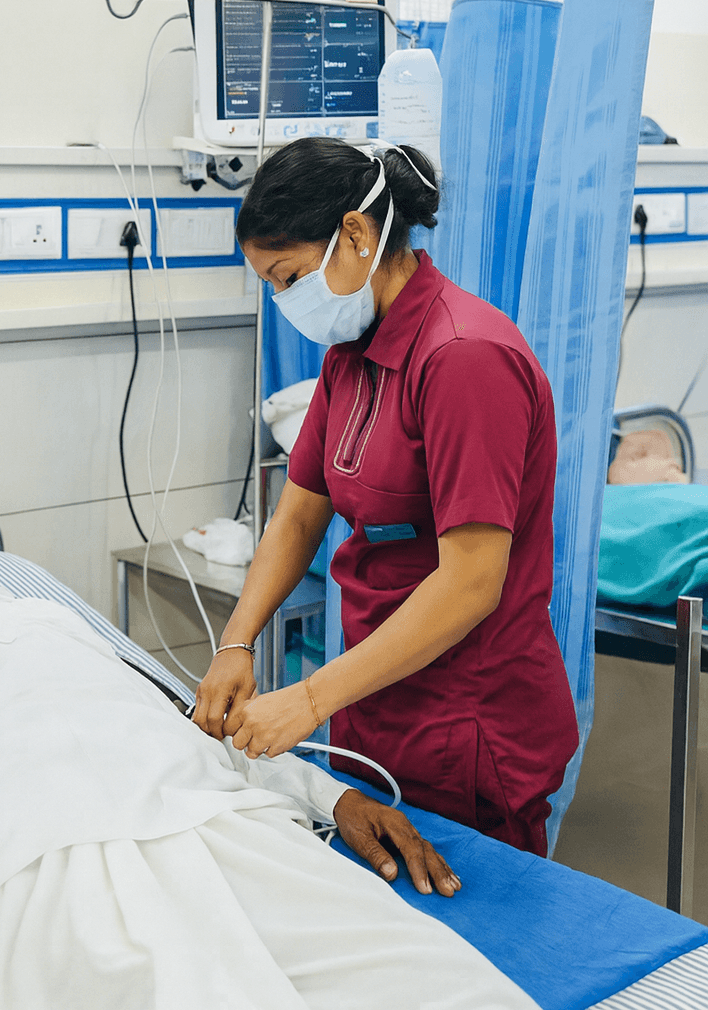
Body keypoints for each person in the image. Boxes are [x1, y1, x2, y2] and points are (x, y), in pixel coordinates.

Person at [0, 504, 539, 1010]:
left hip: (211, 819)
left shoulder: (38, 612)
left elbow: (187, 722)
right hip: (26, 852)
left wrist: (326, 799)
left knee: (420, 977)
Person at [194, 138, 578, 857]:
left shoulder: (464, 358)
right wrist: (237, 641)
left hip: (470, 721)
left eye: (291, 277)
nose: (286, 303)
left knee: (476, 939)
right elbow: (302, 509)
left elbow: (471, 582)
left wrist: (307, 700)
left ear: (358, 234)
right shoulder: (353, 353)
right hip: (378, 700)